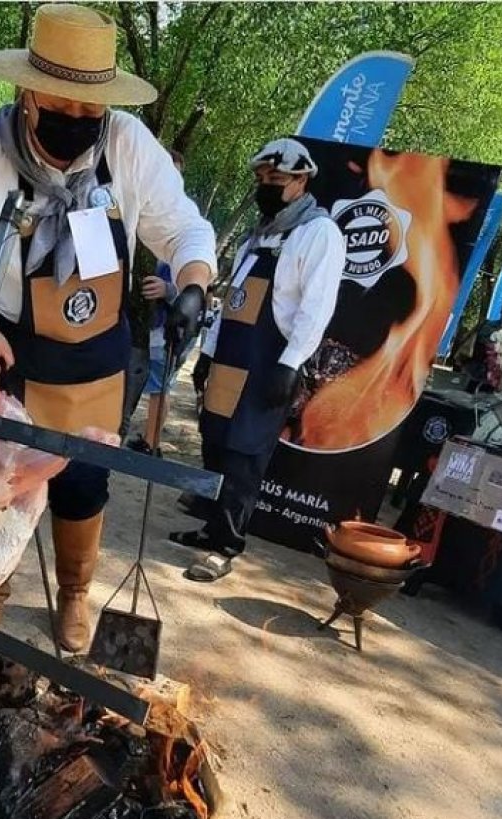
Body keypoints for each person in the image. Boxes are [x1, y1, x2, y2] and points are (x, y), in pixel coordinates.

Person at [0, 3, 216, 656]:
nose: (79, 122)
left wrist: (194, 280)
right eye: (65, 105)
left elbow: (183, 226)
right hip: (9, 350)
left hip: (96, 359)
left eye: (92, 111)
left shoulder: (129, 145)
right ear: (29, 92)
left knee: (83, 483)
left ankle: (76, 591)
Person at [170, 137, 346, 582]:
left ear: (302, 180)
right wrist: (208, 353)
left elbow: (316, 307)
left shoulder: (318, 232)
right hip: (231, 358)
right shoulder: (260, 233)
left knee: (245, 456)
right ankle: (211, 529)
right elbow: (232, 300)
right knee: (215, 445)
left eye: (277, 179)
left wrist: (290, 364)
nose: (266, 186)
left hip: (269, 362)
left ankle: (226, 544)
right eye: (262, 179)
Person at [125, 148, 190, 454]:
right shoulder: (131, 213)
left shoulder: (187, 226)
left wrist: (168, 290)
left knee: (159, 387)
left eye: (174, 173)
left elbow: (198, 286)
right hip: (131, 325)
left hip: (164, 328)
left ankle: (152, 442)